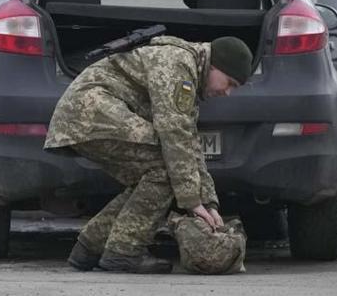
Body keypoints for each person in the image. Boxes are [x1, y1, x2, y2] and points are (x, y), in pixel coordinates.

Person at [43, 35, 253, 274]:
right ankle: (124, 252)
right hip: (91, 112)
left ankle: (90, 247)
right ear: (215, 66)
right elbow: (174, 136)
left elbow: (189, 142)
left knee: (152, 178)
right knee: (164, 172)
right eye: (229, 83)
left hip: (87, 116)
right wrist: (192, 202)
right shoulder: (178, 65)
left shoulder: (190, 71)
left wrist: (209, 203)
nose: (227, 93)